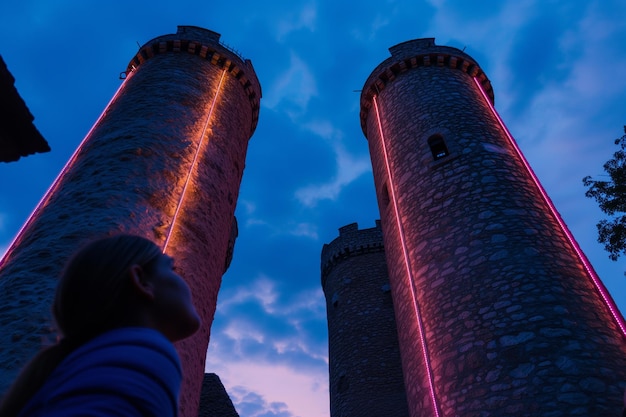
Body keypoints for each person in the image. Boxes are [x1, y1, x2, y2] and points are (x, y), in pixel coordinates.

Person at [0, 234, 201, 417]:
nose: (185, 282)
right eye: (171, 269)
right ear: (141, 281)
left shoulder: (79, 366)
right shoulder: (142, 351)